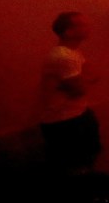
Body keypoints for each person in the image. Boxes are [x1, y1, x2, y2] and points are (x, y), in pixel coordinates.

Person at [38, 12, 101, 174]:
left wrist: (71, 83)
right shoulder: (64, 57)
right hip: (63, 121)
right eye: (82, 25)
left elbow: (95, 76)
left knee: (90, 157)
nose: (88, 27)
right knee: (74, 167)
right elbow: (78, 90)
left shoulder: (74, 53)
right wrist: (78, 83)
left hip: (78, 114)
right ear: (68, 32)